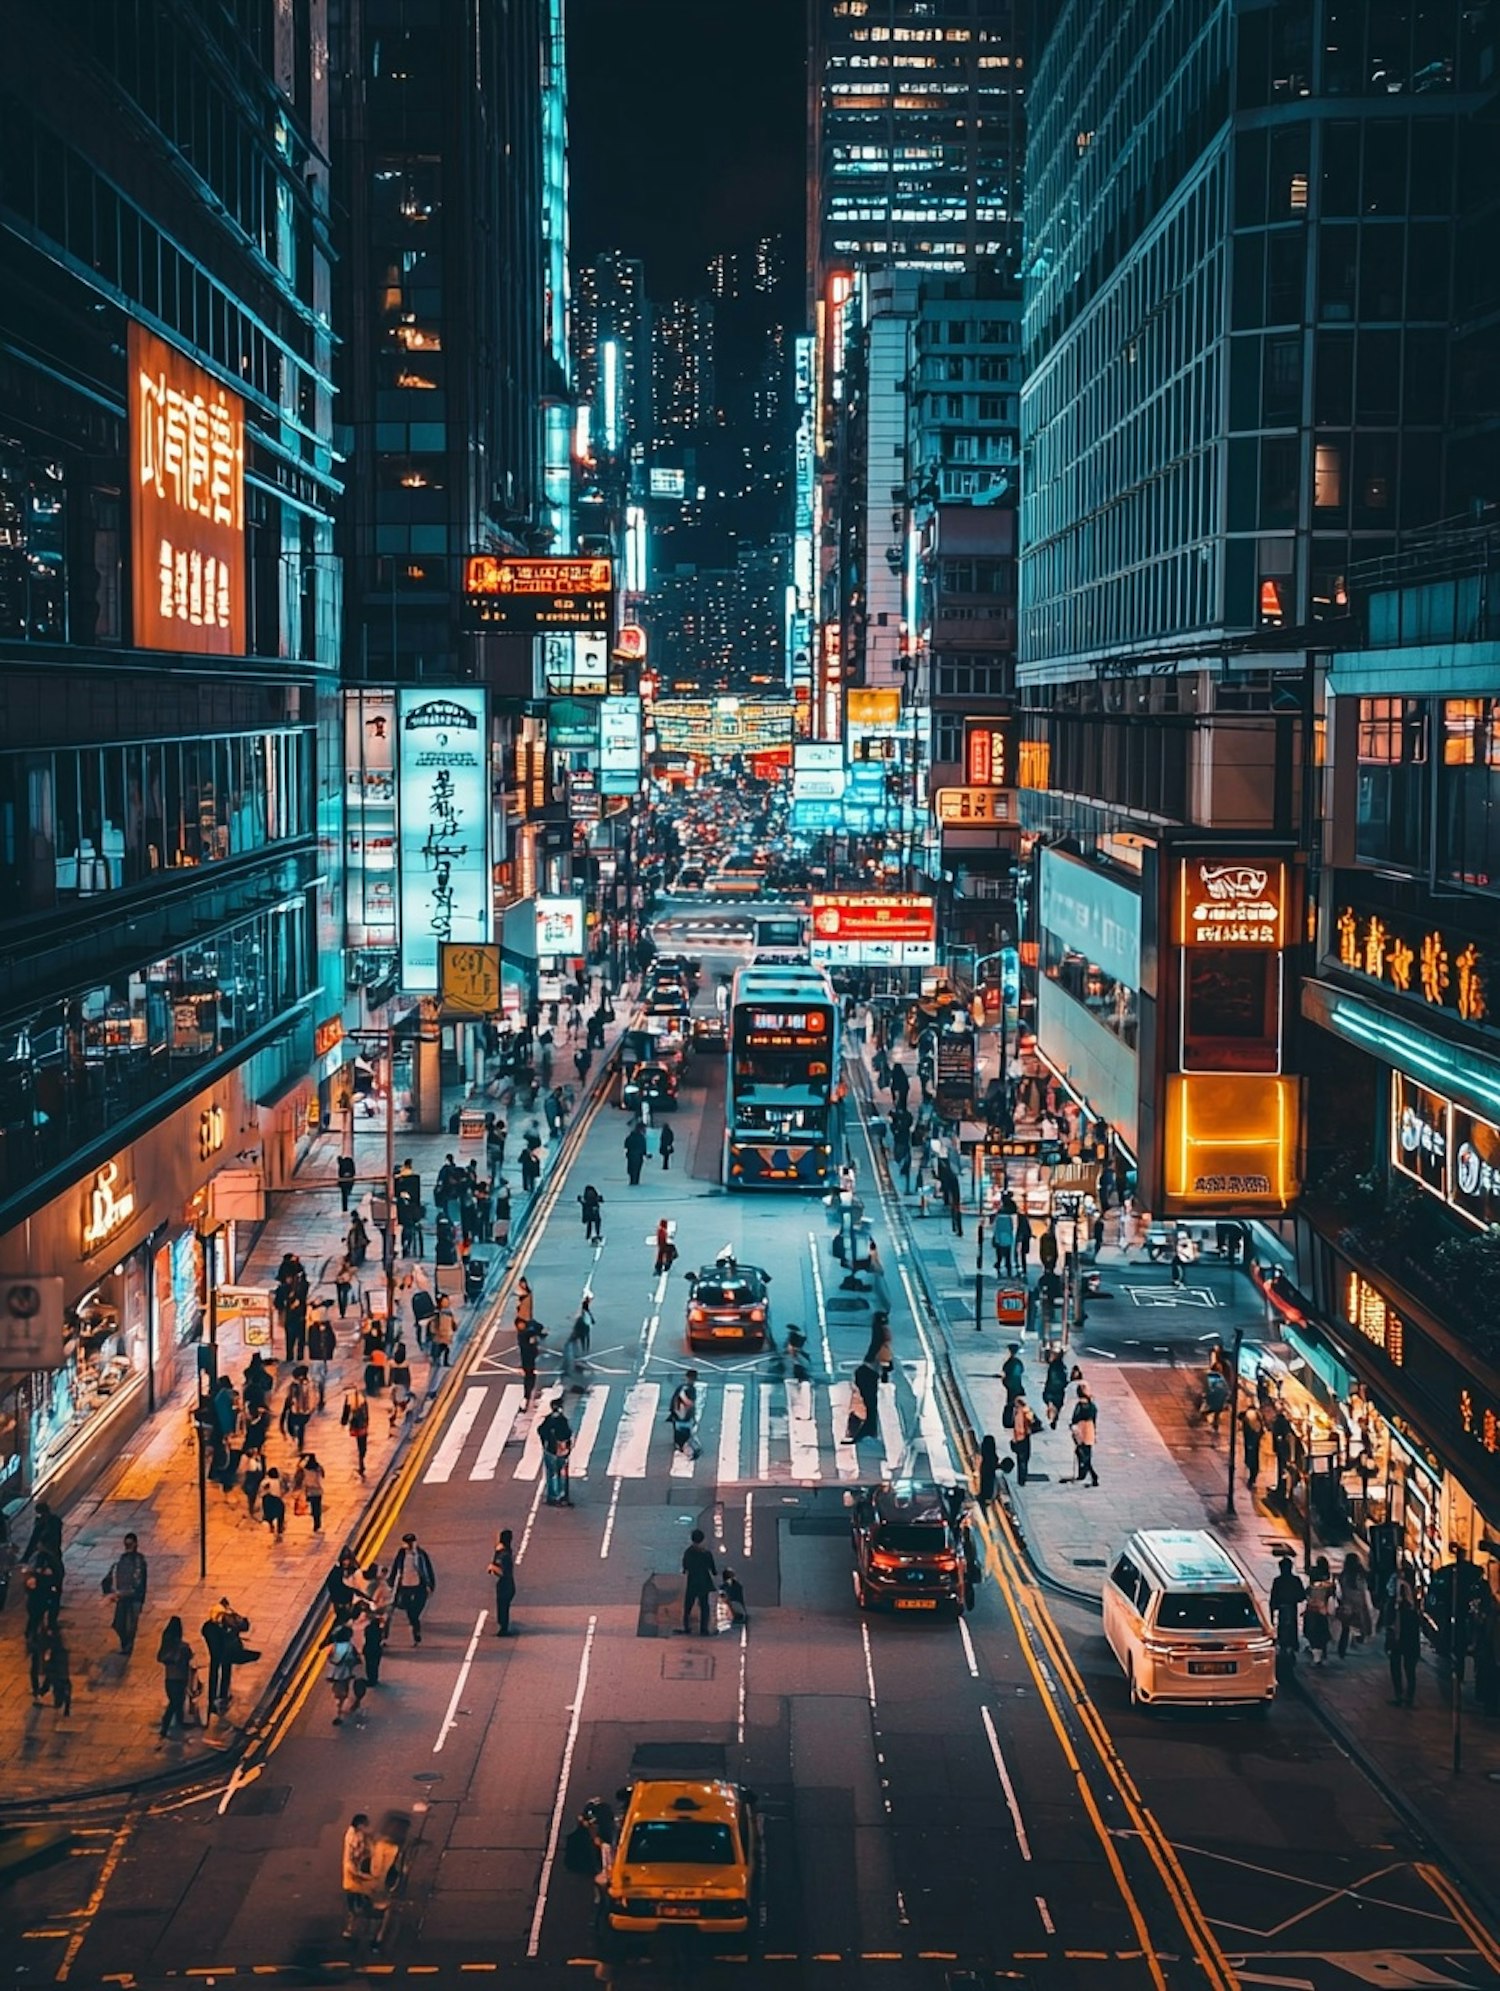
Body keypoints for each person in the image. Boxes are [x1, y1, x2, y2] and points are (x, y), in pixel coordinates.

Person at [201, 1596, 252, 1714]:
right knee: (224, 1665)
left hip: (213, 1635)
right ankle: (220, 1696)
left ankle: (214, 1698)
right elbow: (236, 1626)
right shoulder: (228, 1617)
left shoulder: (218, 1613)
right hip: (218, 1639)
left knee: (216, 1667)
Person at [103, 1531, 149, 1655]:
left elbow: (137, 1583)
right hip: (122, 1596)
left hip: (134, 1598)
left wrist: (120, 1593)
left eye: (130, 1544)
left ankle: (128, 1647)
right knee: (119, 1623)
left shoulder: (139, 1561)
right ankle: (125, 1644)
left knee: (130, 1625)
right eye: (126, 1545)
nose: (128, 1547)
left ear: (135, 1544)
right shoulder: (122, 1559)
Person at [1384, 1560, 1422, 1705]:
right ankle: (1402, 1695)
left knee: (1406, 1666)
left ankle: (1406, 1696)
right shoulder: (1399, 1601)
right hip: (1402, 1637)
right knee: (1402, 1665)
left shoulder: (1407, 1603)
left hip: (1403, 1637)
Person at [390, 1533, 436, 1644]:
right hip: (405, 1586)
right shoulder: (401, 1554)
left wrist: (431, 1585)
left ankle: (415, 1626)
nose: (410, 1545)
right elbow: (395, 1568)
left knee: (417, 1608)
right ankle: (416, 1629)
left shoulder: (420, 1554)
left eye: (412, 1542)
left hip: (418, 1586)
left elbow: (428, 1569)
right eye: (407, 1543)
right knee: (409, 1609)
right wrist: (391, 1583)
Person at [156, 1615, 196, 1738]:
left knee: (177, 1701)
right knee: (176, 1702)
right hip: (180, 1677)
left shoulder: (166, 1647)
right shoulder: (182, 1647)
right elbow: (189, 1657)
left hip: (170, 1678)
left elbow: (160, 1658)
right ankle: (166, 1725)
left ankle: (179, 1721)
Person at [342, 1814, 375, 1940]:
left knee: (362, 1900)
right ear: (360, 1825)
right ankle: (349, 1928)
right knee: (353, 1905)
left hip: (360, 1870)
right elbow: (349, 1863)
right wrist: (363, 1876)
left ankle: (357, 1926)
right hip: (353, 1877)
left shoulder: (359, 1834)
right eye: (365, 1824)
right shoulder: (351, 1839)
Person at [1270, 1554, 1305, 1668]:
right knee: (1290, 1629)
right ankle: (1289, 1649)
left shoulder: (1278, 1581)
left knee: (1284, 1629)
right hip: (1291, 1607)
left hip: (1283, 1608)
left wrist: (1272, 1613)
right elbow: (1302, 1595)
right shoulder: (1295, 1580)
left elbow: (1273, 1598)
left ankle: (1285, 1649)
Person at [680, 1528, 718, 1635]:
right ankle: (703, 1629)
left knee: (688, 1605)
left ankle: (687, 1627)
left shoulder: (688, 1552)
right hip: (704, 1582)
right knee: (704, 1606)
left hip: (692, 1582)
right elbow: (713, 1570)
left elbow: (685, 1567)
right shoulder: (706, 1553)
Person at [1335, 1551, 1374, 1657]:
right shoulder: (1360, 1574)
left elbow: (1340, 1591)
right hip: (1359, 1604)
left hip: (1347, 1604)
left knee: (1346, 1628)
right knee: (1361, 1625)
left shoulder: (1343, 1575)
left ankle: (1342, 1649)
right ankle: (1356, 1642)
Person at [539, 1397, 574, 1505]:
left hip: (550, 1449)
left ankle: (553, 1496)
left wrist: (545, 1442)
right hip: (562, 1452)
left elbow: (540, 1430)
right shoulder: (563, 1420)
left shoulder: (549, 1419)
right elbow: (568, 1434)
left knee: (552, 1474)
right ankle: (563, 1496)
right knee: (562, 1474)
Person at [326, 1619, 361, 1725]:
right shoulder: (349, 1647)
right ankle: (339, 1711)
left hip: (334, 1673)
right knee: (343, 1692)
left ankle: (339, 1706)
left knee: (337, 1692)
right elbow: (352, 1660)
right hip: (344, 1673)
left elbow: (330, 1658)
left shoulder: (334, 1646)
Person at [1304, 1556, 1334, 1665]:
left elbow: (1306, 1595)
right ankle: (1323, 1655)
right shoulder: (1329, 1586)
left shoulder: (1311, 1588)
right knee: (1322, 1633)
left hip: (1312, 1612)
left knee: (1313, 1633)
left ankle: (1316, 1656)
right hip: (1323, 1612)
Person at [1070, 1387, 1100, 1486]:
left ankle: (1091, 1475)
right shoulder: (1092, 1406)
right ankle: (1084, 1473)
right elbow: (1094, 1419)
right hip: (1089, 1429)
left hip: (1081, 1429)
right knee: (1086, 1452)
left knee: (1081, 1452)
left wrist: (1073, 1427)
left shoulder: (1079, 1405)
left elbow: (1075, 1418)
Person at [488, 1529, 517, 1635]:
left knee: (503, 1608)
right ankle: (503, 1627)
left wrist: (493, 1568)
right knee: (502, 1607)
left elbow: (502, 1573)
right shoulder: (505, 1552)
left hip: (505, 1587)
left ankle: (503, 1629)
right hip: (507, 1587)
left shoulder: (504, 1556)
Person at [280, 1364, 315, 1450]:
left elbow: (312, 1397)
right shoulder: (296, 1385)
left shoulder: (307, 1385)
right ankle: (298, 1442)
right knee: (295, 1426)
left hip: (301, 1411)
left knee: (297, 1427)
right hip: (299, 1410)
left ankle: (299, 1444)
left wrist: (310, 1408)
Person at [308, 1308, 337, 1409]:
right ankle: (316, 1397)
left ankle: (320, 1397)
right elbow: (310, 1342)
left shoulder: (328, 1331)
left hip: (323, 1358)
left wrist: (329, 1353)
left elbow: (333, 1342)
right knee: (316, 1379)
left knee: (321, 1380)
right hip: (316, 1357)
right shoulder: (312, 1329)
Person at [669, 1372, 702, 1459]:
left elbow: (674, 1401)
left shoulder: (681, 1388)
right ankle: (685, 1449)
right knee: (685, 1435)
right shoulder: (691, 1390)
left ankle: (678, 1446)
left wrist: (674, 1413)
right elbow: (691, 1405)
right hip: (685, 1416)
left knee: (679, 1434)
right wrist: (693, 1416)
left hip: (677, 1415)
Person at [342, 1386, 371, 1478]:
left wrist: (343, 1422)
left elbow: (346, 1413)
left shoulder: (349, 1399)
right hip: (363, 1425)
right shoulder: (362, 1398)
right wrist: (367, 1422)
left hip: (356, 1425)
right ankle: (361, 1460)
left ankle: (361, 1461)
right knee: (362, 1444)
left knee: (360, 1444)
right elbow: (366, 1412)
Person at [1009, 1391, 1036, 1486]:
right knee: (1024, 1458)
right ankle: (1022, 1478)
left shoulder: (1020, 1412)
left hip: (1021, 1437)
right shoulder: (1022, 1411)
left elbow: (1019, 1426)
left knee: (1022, 1459)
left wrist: (1016, 1438)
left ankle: (1021, 1479)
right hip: (1024, 1436)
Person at [295, 1453, 327, 1534]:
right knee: (317, 1508)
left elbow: (298, 1469)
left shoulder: (305, 1469)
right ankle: (317, 1525)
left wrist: (301, 1460)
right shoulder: (318, 1468)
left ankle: (316, 1524)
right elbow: (323, 1475)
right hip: (317, 1490)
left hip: (309, 1491)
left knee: (313, 1507)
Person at [563, 1302, 593, 1379]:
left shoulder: (582, 1316)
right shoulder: (587, 1314)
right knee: (584, 1344)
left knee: (575, 1343)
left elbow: (578, 1324)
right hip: (585, 1332)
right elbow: (592, 1322)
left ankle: (578, 1358)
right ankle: (584, 1355)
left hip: (581, 1332)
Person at [1042, 1351, 1068, 1429]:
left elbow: (1051, 1379)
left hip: (1052, 1390)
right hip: (1058, 1391)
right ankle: (1054, 1420)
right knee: (1057, 1405)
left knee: (1052, 1404)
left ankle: (1052, 1420)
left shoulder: (1053, 1366)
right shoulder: (1062, 1366)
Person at [1000, 1344, 1026, 1424]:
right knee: (1017, 1404)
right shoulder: (1018, 1362)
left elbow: (1004, 1374)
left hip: (1011, 1387)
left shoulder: (1009, 1363)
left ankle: (1009, 1421)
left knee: (1010, 1404)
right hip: (1018, 1386)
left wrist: (1005, 1381)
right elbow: (1021, 1371)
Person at [260, 1465, 287, 1537]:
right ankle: (280, 1529)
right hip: (276, 1499)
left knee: (268, 1514)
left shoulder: (265, 1481)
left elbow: (261, 1492)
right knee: (281, 1513)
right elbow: (283, 1490)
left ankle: (270, 1524)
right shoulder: (279, 1481)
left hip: (266, 1500)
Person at [1241, 1403, 1264, 1488]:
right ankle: (1252, 1478)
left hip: (1251, 1441)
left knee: (1252, 1460)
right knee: (1254, 1459)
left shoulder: (1250, 1417)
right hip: (1253, 1441)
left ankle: (1252, 1479)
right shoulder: (1255, 1416)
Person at [977, 1433, 1001, 1507]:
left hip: (984, 1468)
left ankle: (983, 1495)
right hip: (990, 1469)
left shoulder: (984, 1450)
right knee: (989, 1483)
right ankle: (987, 1496)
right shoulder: (993, 1455)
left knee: (984, 1482)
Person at [332, 1253, 357, 1321]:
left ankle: (343, 1312)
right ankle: (342, 1312)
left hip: (343, 1283)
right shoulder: (343, 1265)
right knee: (342, 1298)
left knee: (343, 1298)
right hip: (341, 1283)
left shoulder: (347, 1267)